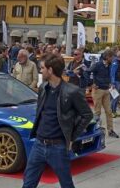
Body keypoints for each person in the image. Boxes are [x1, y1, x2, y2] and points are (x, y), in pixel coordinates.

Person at [23, 54, 93, 188]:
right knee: (28, 183)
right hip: (38, 144)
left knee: (66, 184)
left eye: (42, 68)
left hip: (58, 147)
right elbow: (40, 111)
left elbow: (87, 114)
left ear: (50, 70)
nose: (40, 71)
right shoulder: (43, 87)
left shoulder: (72, 91)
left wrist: (72, 137)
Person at [86, 50, 118, 138]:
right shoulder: (97, 65)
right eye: (112, 57)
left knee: (109, 111)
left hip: (106, 89)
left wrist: (110, 83)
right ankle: (95, 130)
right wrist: (91, 84)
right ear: (107, 57)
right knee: (97, 112)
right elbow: (87, 72)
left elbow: (108, 75)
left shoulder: (109, 65)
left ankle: (110, 130)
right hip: (98, 90)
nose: (113, 59)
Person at [110, 51, 120, 118]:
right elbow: (112, 73)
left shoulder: (119, 62)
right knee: (114, 97)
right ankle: (111, 112)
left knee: (117, 98)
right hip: (116, 82)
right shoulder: (115, 62)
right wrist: (112, 83)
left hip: (119, 81)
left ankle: (114, 111)